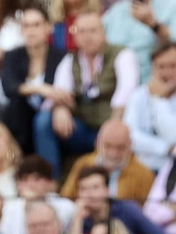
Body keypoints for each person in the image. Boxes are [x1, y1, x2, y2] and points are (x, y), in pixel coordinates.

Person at [36, 13, 139, 178]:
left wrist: (113, 126)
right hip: (84, 130)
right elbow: (59, 92)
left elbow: (127, 91)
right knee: (44, 120)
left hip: (113, 126)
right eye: (81, 32)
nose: (87, 36)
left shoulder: (122, 55)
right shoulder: (70, 60)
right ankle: (50, 181)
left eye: (92, 31)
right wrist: (59, 109)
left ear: (104, 33)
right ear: (75, 37)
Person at [120, 41, 176, 173]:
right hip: (143, 168)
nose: (167, 72)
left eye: (173, 66)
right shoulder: (139, 94)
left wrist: (159, 99)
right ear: (153, 68)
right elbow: (129, 135)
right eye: (161, 67)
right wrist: (165, 148)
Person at [72, 162, 173, 234]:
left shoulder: (127, 210)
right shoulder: (80, 218)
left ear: (107, 190)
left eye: (95, 187)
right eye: (83, 189)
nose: (89, 194)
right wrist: (77, 219)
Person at [0, 6, 63, 157]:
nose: (31, 30)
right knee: (16, 105)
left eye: (36, 25)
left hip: (50, 114)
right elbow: (8, 86)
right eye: (26, 26)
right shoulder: (13, 55)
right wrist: (39, 89)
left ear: (49, 27)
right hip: (22, 117)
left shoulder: (61, 56)